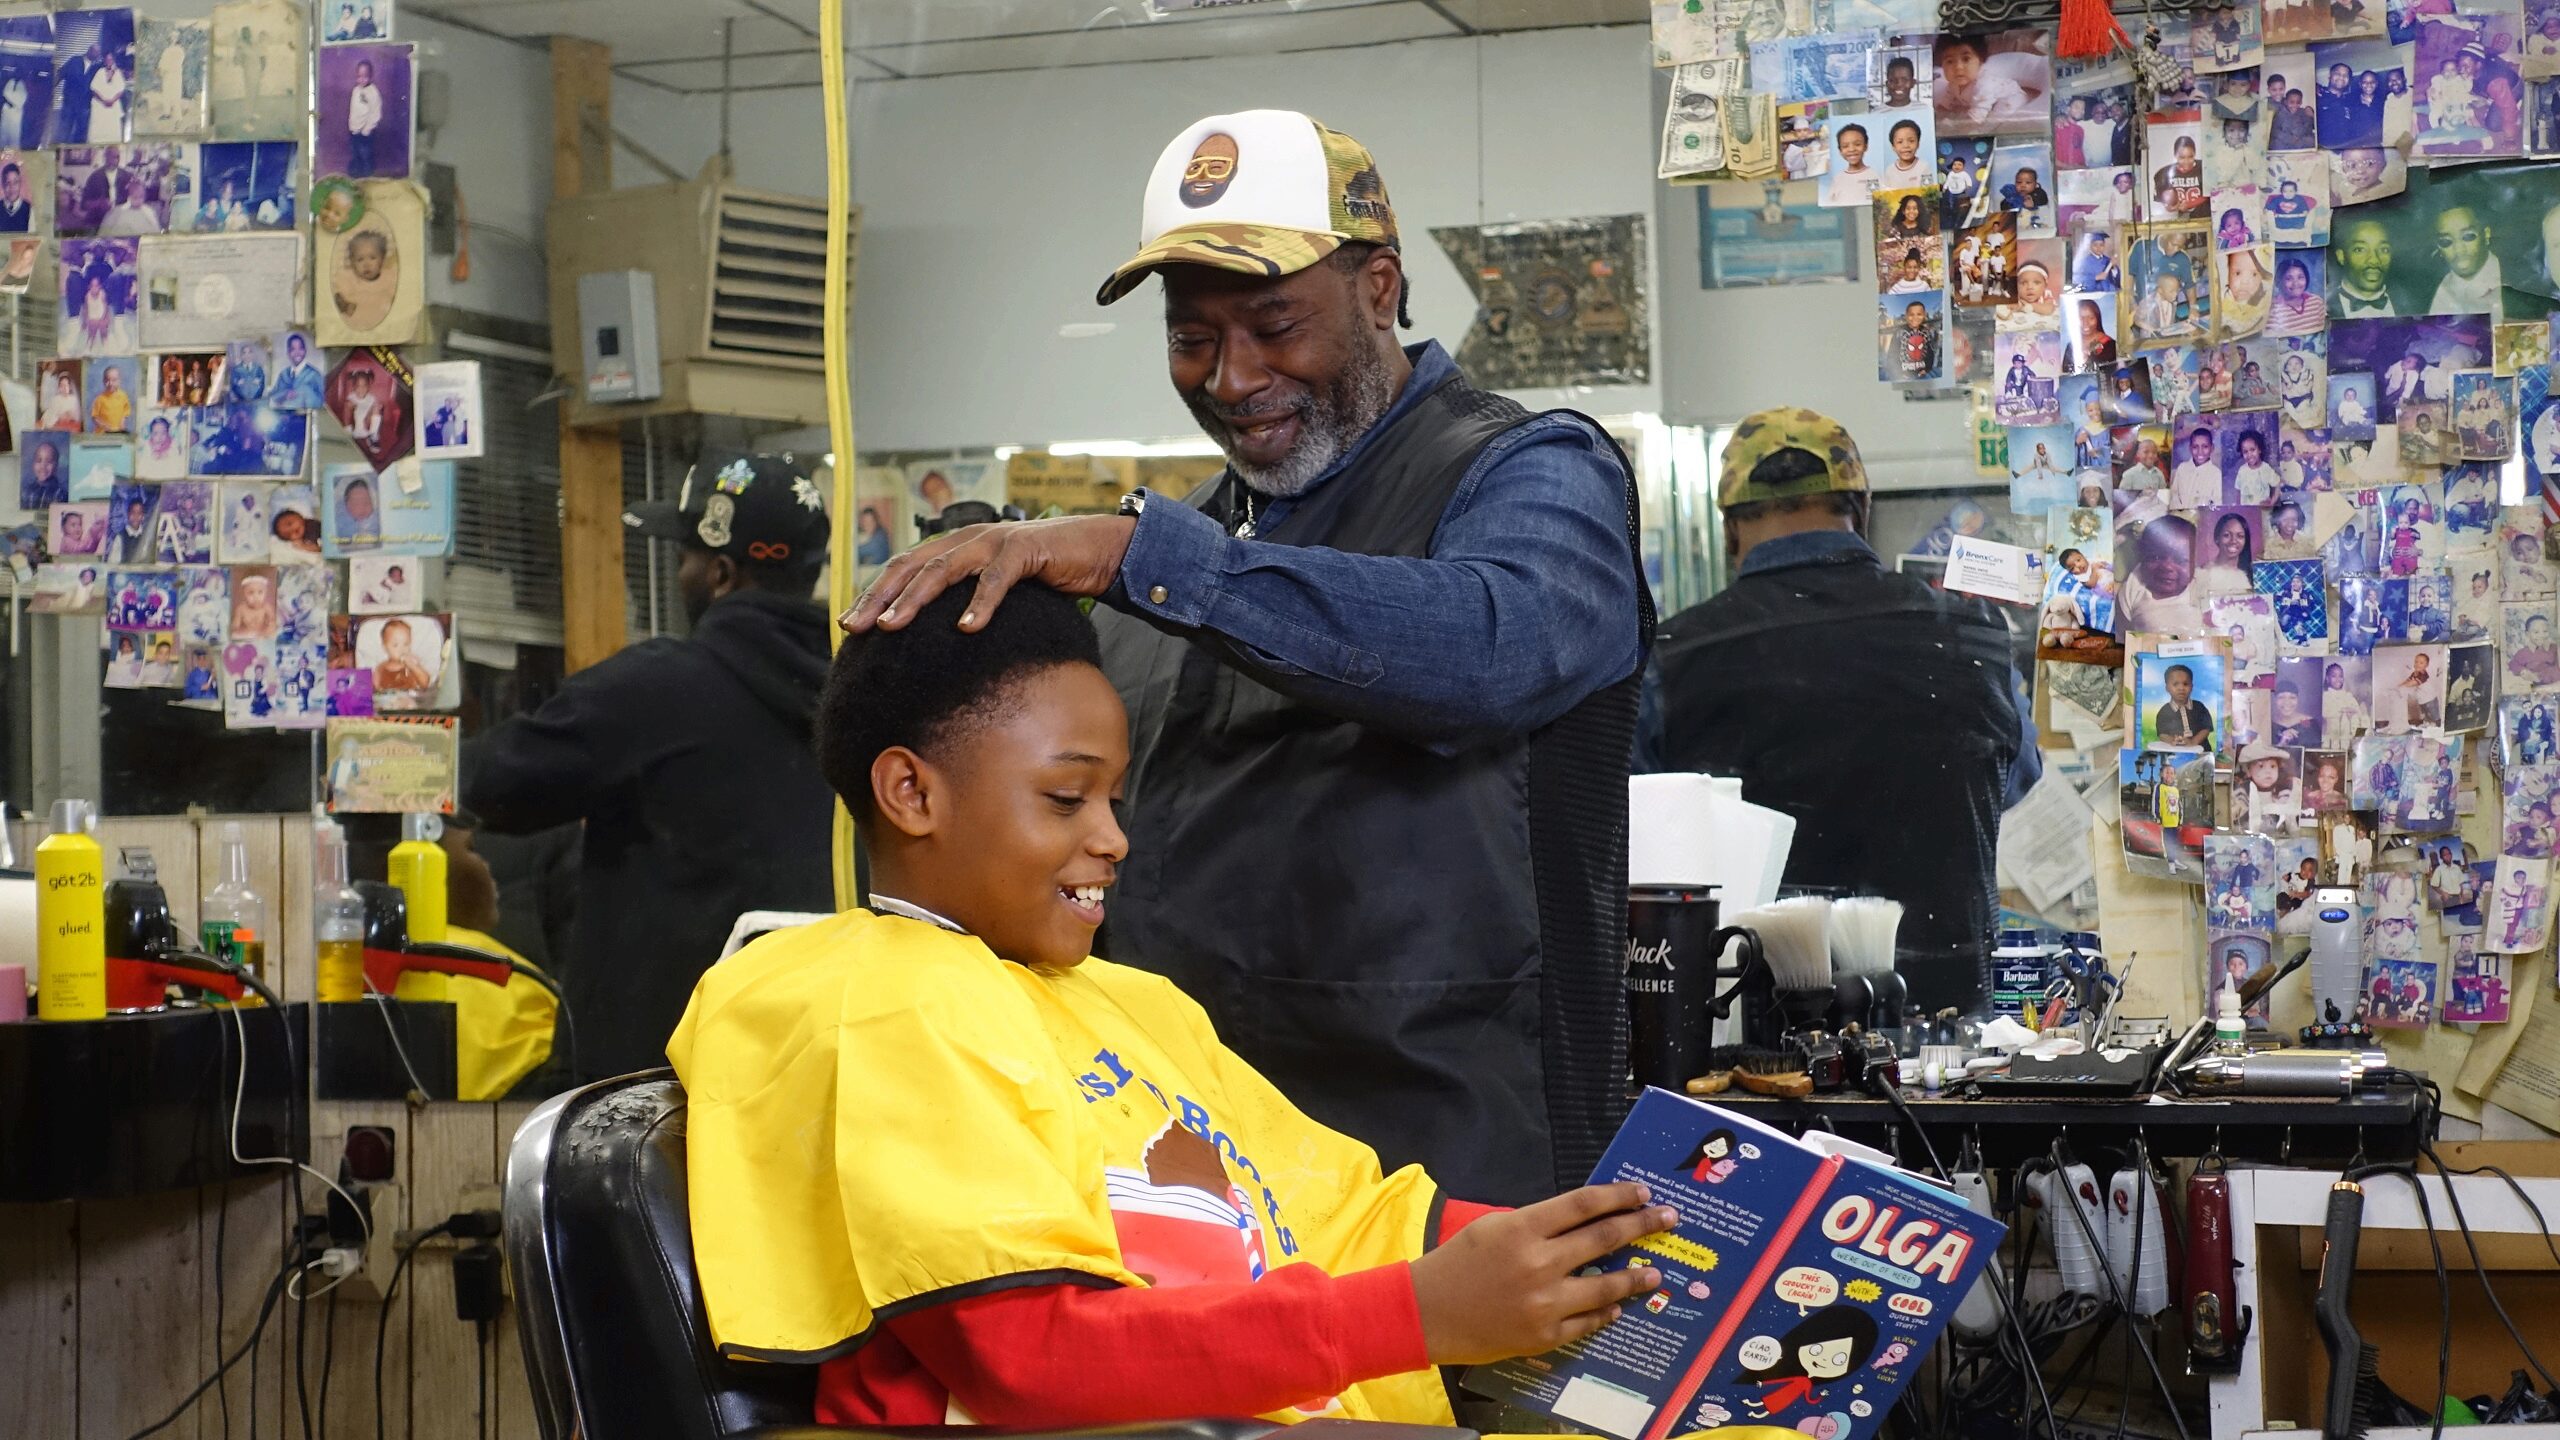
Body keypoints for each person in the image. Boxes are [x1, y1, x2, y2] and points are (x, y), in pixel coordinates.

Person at [845, 112, 1647, 1203]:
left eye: (1274, 325)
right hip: (1211, 1178)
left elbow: (1493, 650)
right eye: (1192, 338)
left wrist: (1151, 560)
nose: (1231, 376)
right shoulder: (1193, 552)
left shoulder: (1529, 473)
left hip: (1460, 1167)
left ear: (1378, 289)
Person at [673, 577, 1676, 1428]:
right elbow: (1023, 1357)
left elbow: (1333, 1217)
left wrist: (1581, 1249)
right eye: (1067, 800)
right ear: (911, 793)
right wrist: (1415, 1314)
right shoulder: (882, 1001)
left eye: (1116, 800)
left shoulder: (1127, 1005)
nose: (1111, 838)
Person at [467, 453, 836, 1082]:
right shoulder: (863, 700)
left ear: (720, 573)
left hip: (651, 1088)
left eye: (684, 558)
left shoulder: (656, 690)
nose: (679, 574)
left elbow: (491, 782)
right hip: (804, 1068)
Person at [1641, 409, 2025, 1011]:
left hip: (1746, 1035)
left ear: (1730, 530)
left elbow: (1644, 846)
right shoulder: (1974, 635)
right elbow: (2006, 785)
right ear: (1861, 509)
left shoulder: (1670, 660)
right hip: (1950, 1042)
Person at [2430, 205, 2503, 317]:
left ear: (2486, 234)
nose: (2459, 250)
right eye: (2446, 241)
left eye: (2468, 236)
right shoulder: (2431, 292)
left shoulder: (2518, 280)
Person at [1822, 122, 1877, 206]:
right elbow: (1829, 204)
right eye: (1845, 146)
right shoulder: (1838, 178)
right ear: (1840, 150)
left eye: (1857, 144)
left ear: (1865, 146)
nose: (1851, 149)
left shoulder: (1873, 175)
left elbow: (1877, 204)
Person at [345, 59, 381, 178]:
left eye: (365, 76)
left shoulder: (373, 92)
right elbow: (353, 108)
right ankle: (355, 175)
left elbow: (375, 112)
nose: (362, 79)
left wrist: (367, 129)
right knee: (355, 153)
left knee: (366, 154)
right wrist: (351, 125)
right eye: (359, 76)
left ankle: (367, 175)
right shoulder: (356, 90)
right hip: (354, 129)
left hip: (366, 131)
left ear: (371, 76)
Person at [2172, 425, 2223, 506]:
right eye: (2195, 447)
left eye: (2205, 446)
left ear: (2212, 448)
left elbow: (2217, 502)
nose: (2200, 451)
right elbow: (2174, 496)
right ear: (2190, 448)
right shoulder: (2182, 468)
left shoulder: (2216, 474)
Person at [271, 332, 324, 408]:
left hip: (306, 415)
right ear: (288, 353)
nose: (297, 353)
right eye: (293, 349)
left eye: (300, 348)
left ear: (305, 351)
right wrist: (286, 394)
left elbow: (322, 400)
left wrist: (305, 393)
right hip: (286, 415)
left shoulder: (314, 374)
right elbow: (274, 395)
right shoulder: (284, 374)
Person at [1877, 117, 1931, 188]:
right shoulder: (1890, 171)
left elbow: (1928, 193)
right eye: (1900, 142)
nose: (1906, 146)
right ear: (1893, 147)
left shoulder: (1923, 167)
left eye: (1911, 141)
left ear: (1918, 144)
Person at [88, 49, 124, 143]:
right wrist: (103, 100)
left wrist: (112, 100)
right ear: (104, 60)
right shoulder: (99, 72)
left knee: (112, 131)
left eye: (111, 60)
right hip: (100, 106)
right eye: (107, 60)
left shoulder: (118, 73)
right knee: (98, 130)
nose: (109, 61)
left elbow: (121, 90)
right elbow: (93, 89)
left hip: (113, 106)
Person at [88, 361, 128, 433]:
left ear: (119, 381)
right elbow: (94, 417)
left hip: (117, 431)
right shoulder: (100, 399)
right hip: (103, 433)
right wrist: (103, 425)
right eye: (107, 380)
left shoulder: (123, 396)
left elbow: (125, 412)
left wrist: (122, 422)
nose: (110, 383)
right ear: (103, 381)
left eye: (114, 380)